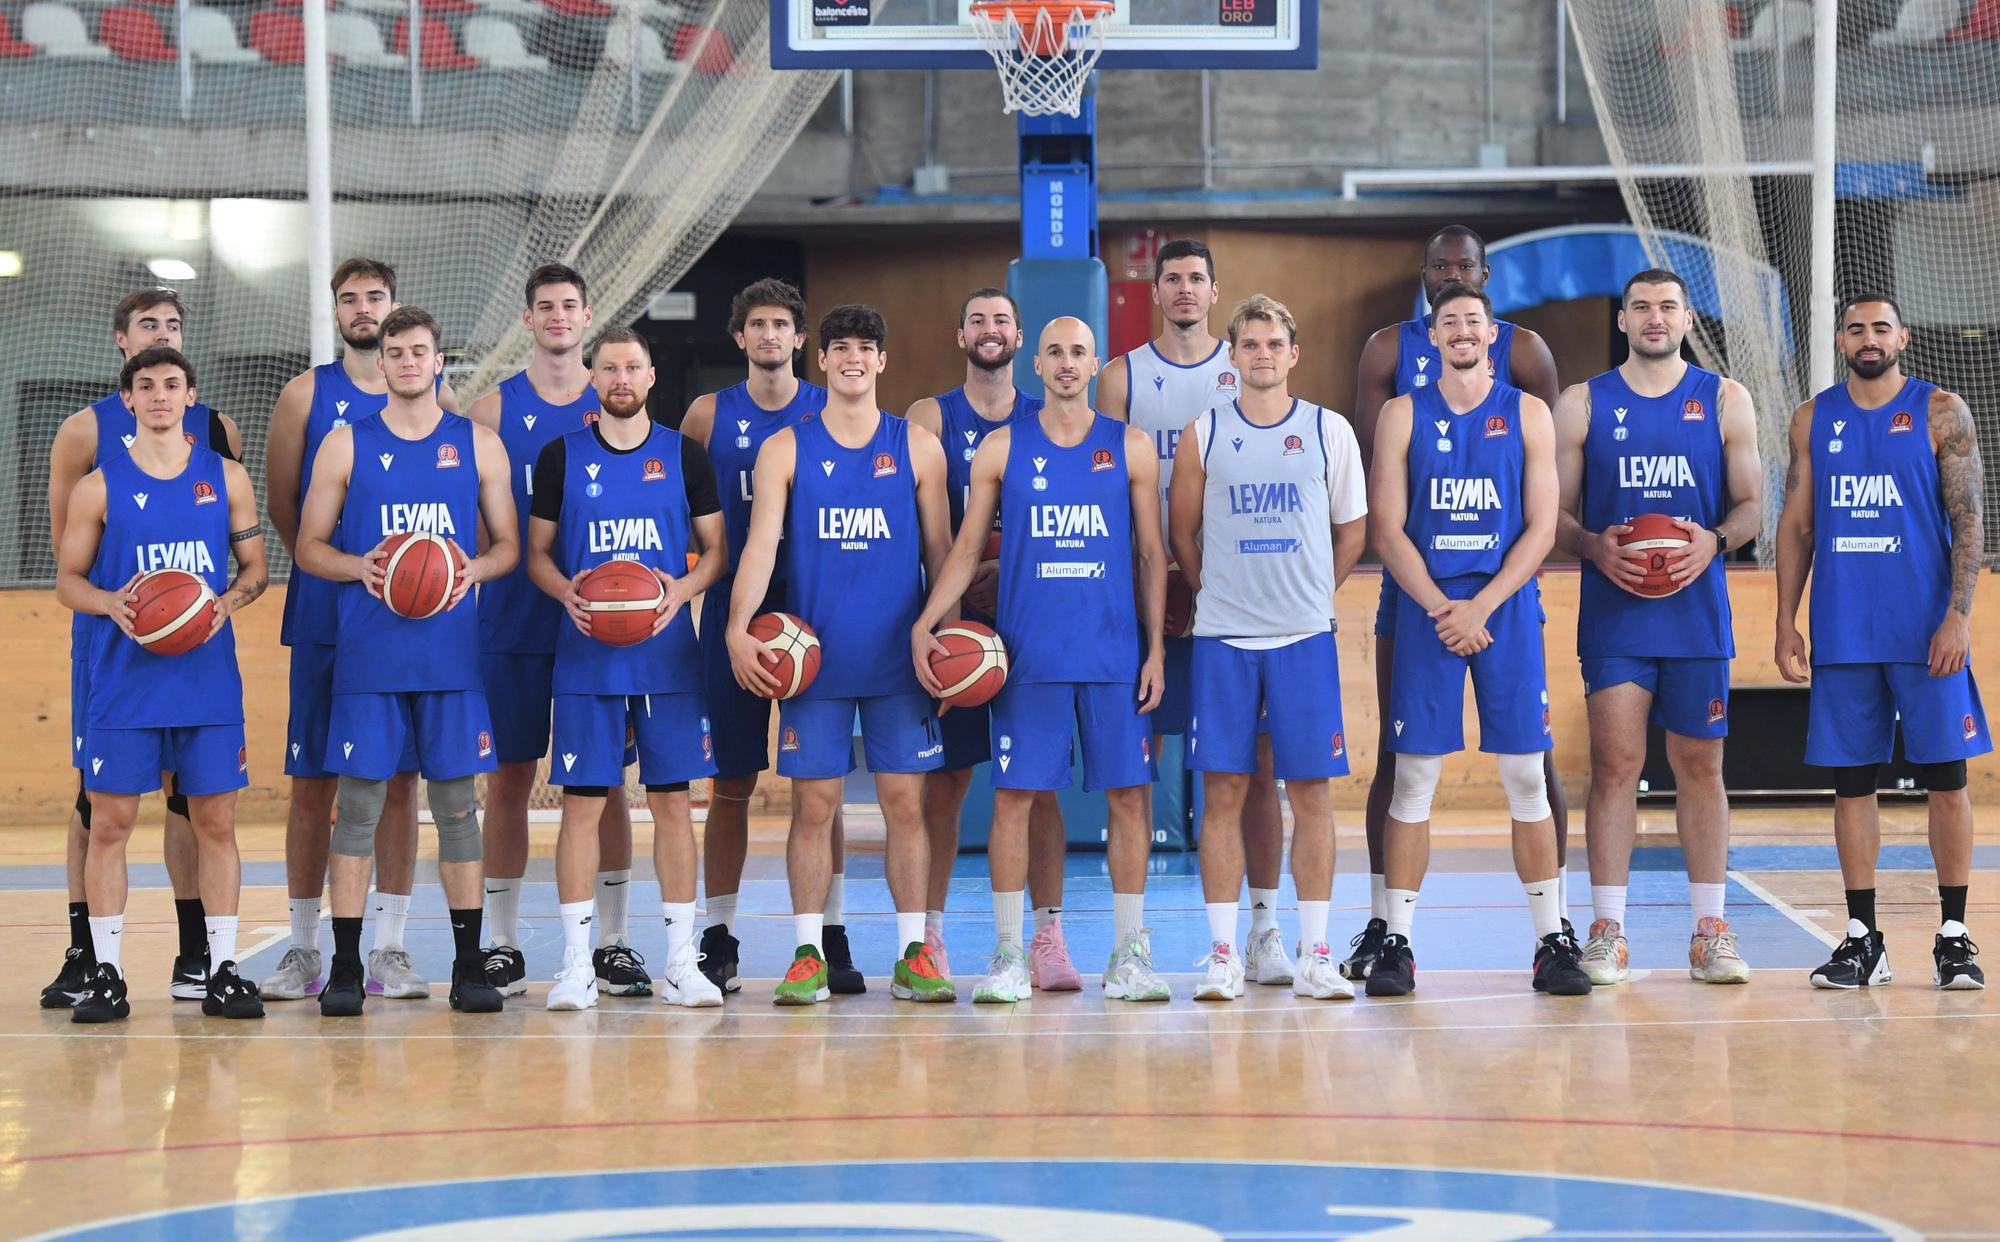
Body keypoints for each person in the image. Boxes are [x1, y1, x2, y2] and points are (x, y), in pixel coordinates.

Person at [913, 316, 1169, 1004]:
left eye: (1078, 352)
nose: (1065, 362)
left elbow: (1152, 556)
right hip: (1029, 658)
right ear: (1038, 364)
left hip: (1114, 656)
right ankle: (1006, 955)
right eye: (1054, 351)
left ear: (1094, 365)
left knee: (1129, 800)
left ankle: (1130, 953)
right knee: (1015, 801)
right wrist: (929, 622)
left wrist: (1157, 650)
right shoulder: (1001, 448)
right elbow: (967, 550)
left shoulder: (1132, 447)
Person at [1347, 224, 1567, 982]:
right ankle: (1398, 942)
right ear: (1432, 334)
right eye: (1450, 322)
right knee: (1413, 776)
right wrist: (1446, 606)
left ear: (1491, 333)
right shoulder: (1404, 414)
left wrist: (1483, 606)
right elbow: (1386, 526)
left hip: (1502, 610)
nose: (1463, 330)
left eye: (1474, 321)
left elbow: (1542, 529)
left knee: (1526, 776)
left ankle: (1551, 939)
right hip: (1425, 608)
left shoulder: (1529, 413)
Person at [726, 303, 955, 1005]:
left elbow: (944, 555)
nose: (854, 357)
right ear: (820, 361)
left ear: (882, 362)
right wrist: (738, 627)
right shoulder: (786, 449)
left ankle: (914, 952)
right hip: (812, 659)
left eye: (866, 347)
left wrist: (945, 637)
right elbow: (761, 547)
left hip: (898, 662)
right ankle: (807, 954)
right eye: (841, 348)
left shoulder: (917, 446)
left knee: (904, 807)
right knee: (814, 809)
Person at [294, 307, 517, 1017]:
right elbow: (307, 548)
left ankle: (470, 965)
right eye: (396, 352)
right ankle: (349, 967)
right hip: (370, 652)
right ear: (382, 363)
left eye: (420, 350)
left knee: (457, 809)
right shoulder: (343, 444)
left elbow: (508, 546)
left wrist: (467, 570)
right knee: (356, 807)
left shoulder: (478, 443)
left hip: (451, 654)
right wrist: (364, 566)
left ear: (438, 358)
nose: (408, 361)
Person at [1552, 268, 1762, 986]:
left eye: (1667, 306)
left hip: (1697, 616)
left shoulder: (1726, 399)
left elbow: (1752, 504)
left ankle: (1711, 930)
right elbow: (1553, 515)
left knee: (1702, 768)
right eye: (1641, 306)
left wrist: (1715, 540)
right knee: (1615, 766)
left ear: (1684, 318)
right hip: (1616, 615)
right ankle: (1608, 929)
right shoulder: (1581, 403)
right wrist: (1592, 546)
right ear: (1622, 319)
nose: (1654, 317)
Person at [1097, 239, 1295, 985]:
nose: (1184, 289)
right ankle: (1133, 940)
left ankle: (1265, 931)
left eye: (1196, 279)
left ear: (1216, 291)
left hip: (1236, 600)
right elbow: (1108, 492)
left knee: (1257, 769)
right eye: (1171, 278)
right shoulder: (1121, 378)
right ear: (1153, 290)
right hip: (1148, 600)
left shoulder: (1244, 366)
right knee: (1131, 773)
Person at [1776, 293, 1987, 990]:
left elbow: (1970, 521)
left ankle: (1954, 934)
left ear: (1901, 337)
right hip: (1844, 631)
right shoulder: (1812, 419)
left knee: (1947, 781)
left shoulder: (1940, 411)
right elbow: (1797, 526)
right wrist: (1785, 619)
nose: (1869, 338)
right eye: (1856, 328)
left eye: (1881, 327)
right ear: (1841, 340)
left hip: (1926, 632)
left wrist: (1958, 616)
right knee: (1852, 785)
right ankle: (1864, 937)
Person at [43, 289, 246, 1008]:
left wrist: (212, 605)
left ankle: (202, 957)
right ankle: (89, 956)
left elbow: (240, 547)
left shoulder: (217, 438)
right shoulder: (83, 437)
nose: (162, 336)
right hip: (114, 648)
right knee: (99, 805)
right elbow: (71, 555)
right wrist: (115, 607)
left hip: (196, 652)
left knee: (196, 806)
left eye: (173, 328)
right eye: (148, 328)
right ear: (121, 345)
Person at [1168, 295, 1368, 1001]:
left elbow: (1353, 532)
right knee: (1223, 792)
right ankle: (1226, 954)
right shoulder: (1204, 433)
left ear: (1293, 353)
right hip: (1224, 637)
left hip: (1304, 638)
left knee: (1311, 794)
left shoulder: (1327, 430)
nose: (1260, 354)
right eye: (1248, 344)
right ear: (1232, 356)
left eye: (1272, 343)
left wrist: (1314, 593)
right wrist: (1212, 593)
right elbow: (1182, 533)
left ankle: (1315, 954)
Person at [526, 328, 727, 1010]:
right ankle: (576, 963)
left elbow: (717, 551)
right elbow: (536, 556)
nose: (620, 377)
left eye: (632, 366)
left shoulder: (685, 455)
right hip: (586, 656)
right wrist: (564, 592)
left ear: (649, 378)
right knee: (582, 806)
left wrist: (682, 590)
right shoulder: (561, 457)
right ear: (593, 377)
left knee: (673, 805)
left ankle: (680, 959)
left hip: (668, 658)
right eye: (608, 366)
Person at [679, 279, 869, 994]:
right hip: (736, 613)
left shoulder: (830, 407)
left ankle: (833, 932)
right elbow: (685, 513)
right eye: (755, 324)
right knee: (730, 783)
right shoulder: (707, 415)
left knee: (822, 789)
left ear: (799, 340)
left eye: (781, 325)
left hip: (817, 612)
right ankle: (720, 936)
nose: (767, 335)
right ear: (739, 337)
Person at [261, 258, 438, 1002]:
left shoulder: (433, 400)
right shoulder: (307, 394)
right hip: (328, 615)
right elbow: (284, 511)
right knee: (313, 783)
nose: (363, 309)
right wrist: (341, 569)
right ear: (335, 312)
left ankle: (389, 949)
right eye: (349, 300)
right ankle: (303, 949)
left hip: (404, 624)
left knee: (399, 782)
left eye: (375, 298)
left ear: (396, 310)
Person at [471, 264, 645, 1000]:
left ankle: (611, 940)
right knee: (508, 778)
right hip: (513, 617)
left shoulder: (611, 403)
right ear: (527, 319)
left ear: (588, 315)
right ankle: (503, 943)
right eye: (545, 306)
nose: (558, 316)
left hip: (604, 629)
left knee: (604, 786)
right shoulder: (489, 411)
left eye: (570, 305)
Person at [903, 287, 1080, 991]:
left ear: (1021, 340)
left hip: (1032, 623)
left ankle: (1048, 937)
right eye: (977, 319)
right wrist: (951, 603)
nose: (989, 329)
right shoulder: (928, 416)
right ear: (960, 334)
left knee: (1037, 789)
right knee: (944, 786)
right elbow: (929, 527)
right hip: (957, 622)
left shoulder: (1050, 419)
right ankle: (932, 939)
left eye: (1001, 320)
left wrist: (1007, 572)